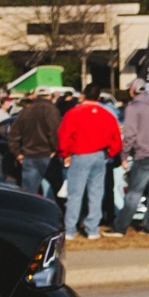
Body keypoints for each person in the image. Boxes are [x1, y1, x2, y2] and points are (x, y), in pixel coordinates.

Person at [105, 79, 149, 237]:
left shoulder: (133, 108)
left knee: (134, 193)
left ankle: (120, 227)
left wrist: (124, 155)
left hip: (144, 154)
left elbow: (129, 135)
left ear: (133, 91)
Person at [56, 83, 123, 240]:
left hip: (79, 155)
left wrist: (64, 154)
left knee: (75, 194)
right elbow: (117, 139)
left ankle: (70, 229)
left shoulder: (73, 113)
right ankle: (92, 228)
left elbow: (63, 136)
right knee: (96, 193)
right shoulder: (107, 114)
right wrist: (109, 153)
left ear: (84, 95)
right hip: (100, 155)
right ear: (99, 97)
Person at [9, 88, 62, 197]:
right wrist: (56, 150)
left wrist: (17, 153)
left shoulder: (25, 111)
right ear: (50, 96)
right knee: (56, 191)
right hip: (48, 156)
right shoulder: (52, 110)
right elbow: (55, 132)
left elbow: (14, 134)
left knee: (29, 194)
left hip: (29, 155)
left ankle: (28, 213)